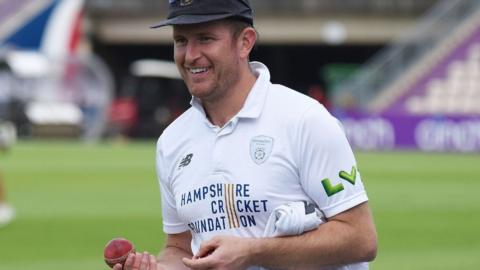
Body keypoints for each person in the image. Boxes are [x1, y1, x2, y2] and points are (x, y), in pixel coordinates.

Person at [115, 0, 377, 269]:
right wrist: (156, 268)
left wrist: (253, 252)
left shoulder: (305, 120)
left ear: (245, 42)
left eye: (205, 38)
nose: (190, 54)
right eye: (181, 40)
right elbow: (180, 247)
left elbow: (360, 239)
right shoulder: (172, 141)